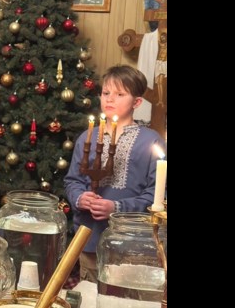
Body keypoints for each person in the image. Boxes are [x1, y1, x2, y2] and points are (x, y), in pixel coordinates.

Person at [64, 65, 164, 282]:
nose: (110, 99)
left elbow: (156, 195)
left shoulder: (151, 141)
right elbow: (73, 181)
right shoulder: (87, 138)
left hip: (132, 243)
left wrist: (116, 208)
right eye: (106, 93)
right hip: (89, 238)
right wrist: (81, 198)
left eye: (120, 94)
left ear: (136, 102)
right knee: (90, 295)